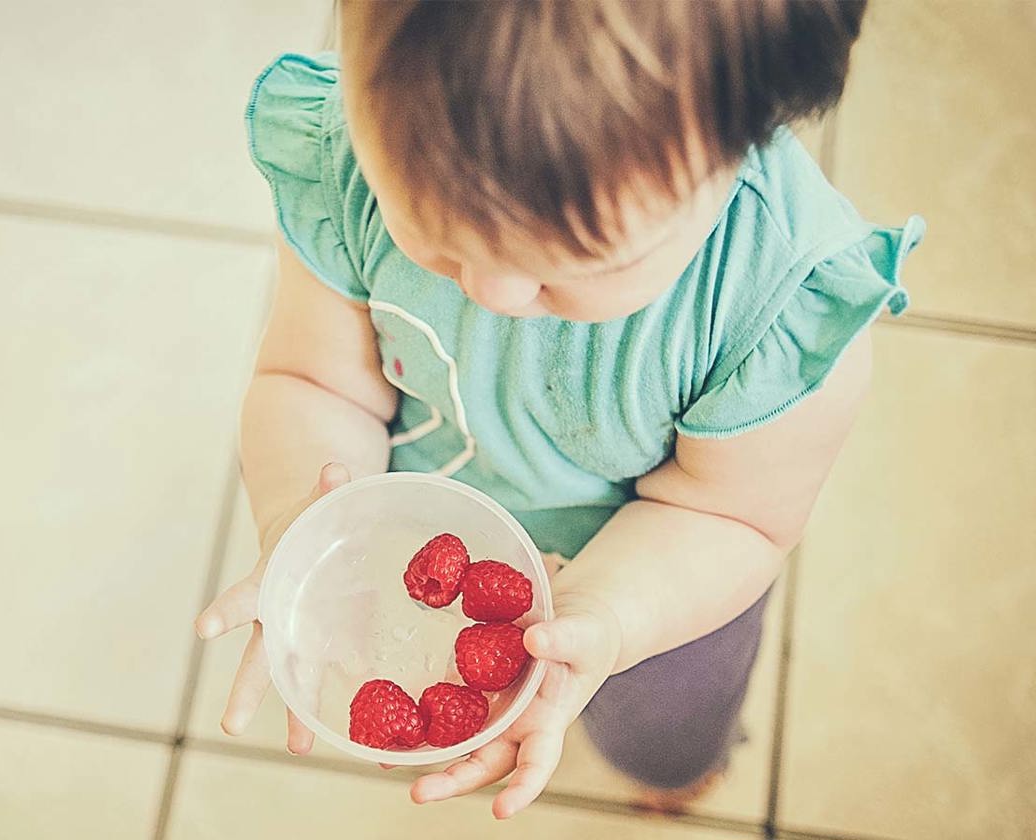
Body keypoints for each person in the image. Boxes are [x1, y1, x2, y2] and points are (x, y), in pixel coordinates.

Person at [195, 0, 923, 819]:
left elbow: (734, 517)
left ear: (745, 140)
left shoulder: (778, 304)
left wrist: (608, 617)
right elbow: (315, 381)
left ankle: (674, 769)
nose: (493, 291)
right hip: (425, 515)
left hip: (658, 573)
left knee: (664, 725)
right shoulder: (349, 162)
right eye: (434, 230)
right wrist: (300, 519)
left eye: (572, 264)